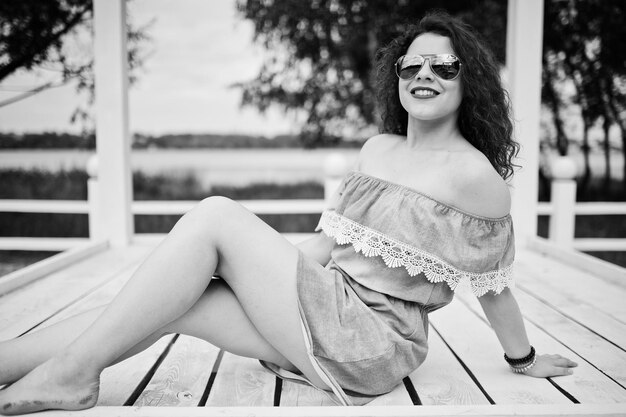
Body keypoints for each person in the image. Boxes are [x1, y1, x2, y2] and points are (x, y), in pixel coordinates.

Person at [0, 11, 577, 414]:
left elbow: (493, 287)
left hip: (371, 342)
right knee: (170, 300)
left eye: (443, 67)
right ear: (396, 78)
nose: (423, 75)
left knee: (216, 214)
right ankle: (30, 370)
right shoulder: (378, 149)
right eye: (410, 66)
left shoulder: (476, 177)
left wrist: (523, 360)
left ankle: (72, 376)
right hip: (324, 309)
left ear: (467, 81)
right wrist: (238, 274)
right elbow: (331, 249)